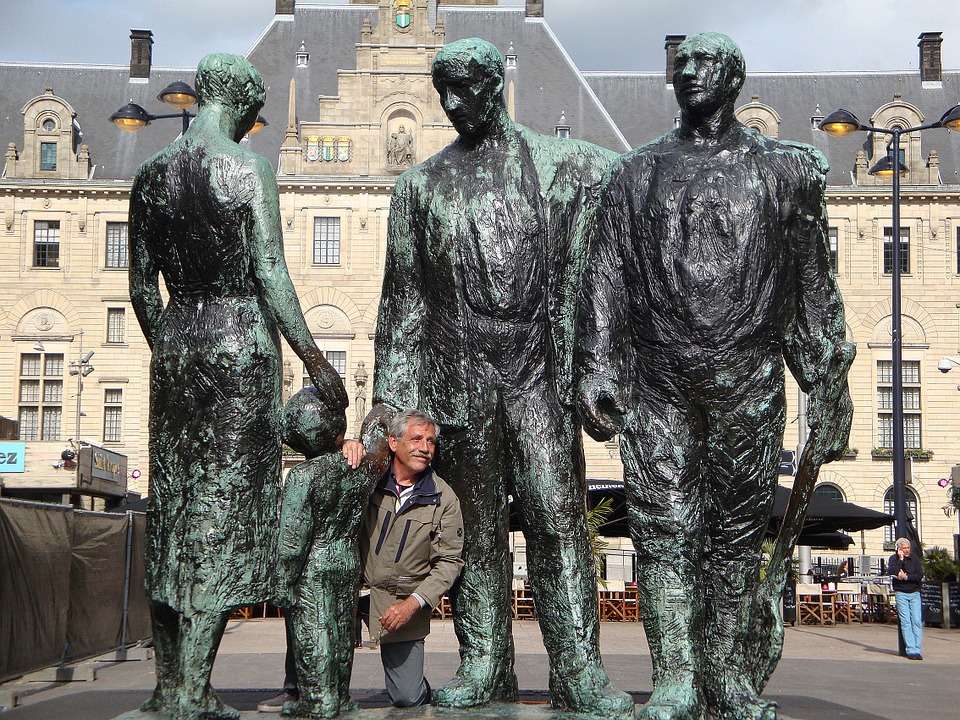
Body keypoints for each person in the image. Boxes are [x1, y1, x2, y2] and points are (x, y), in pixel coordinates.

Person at [576, 33, 853, 720]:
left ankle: (727, 677)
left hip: (747, 379)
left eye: (705, 64)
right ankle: (675, 679)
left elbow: (811, 282)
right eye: (682, 64)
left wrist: (827, 378)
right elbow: (605, 275)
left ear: (735, 79)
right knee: (662, 529)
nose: (689, 73)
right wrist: (598, 367)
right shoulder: (636, 173)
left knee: (735, 533)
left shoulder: (783, 172)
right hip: (660, 384)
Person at [370, 37, 631, 719]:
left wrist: (598, 364)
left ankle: (578, 670)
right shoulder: (419, 187)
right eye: (443, 93)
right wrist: (391, 403)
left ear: (495, 87)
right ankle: (484, 664)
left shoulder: (564, 166)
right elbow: (402, 303)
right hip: (457, 385)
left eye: (465, 90)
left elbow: (640, 178)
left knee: (558, 522)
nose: (453, 105)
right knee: (474, 535)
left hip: (537, 380)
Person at [129, 53, 348, 720]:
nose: (258, 120)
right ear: (244, 100)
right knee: (224, 518)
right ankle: (193, 690)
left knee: (172, 511)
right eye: (257, 109)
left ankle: (168, 688)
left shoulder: (151, 173)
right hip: (238, 344)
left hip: (175, 343)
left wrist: (168, 344)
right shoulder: (248, 167)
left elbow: (140, 287)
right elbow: (272, 272)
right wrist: (315, 361)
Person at [270, 386, 390, 718]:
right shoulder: (363, 467)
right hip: (347, 559)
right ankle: (339, 696)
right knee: (340, 631)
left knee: (316, 630)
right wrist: (354, 438)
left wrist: (282, 583)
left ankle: (317, 700)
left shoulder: (302, 475)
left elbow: (293, 540)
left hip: (314, 564)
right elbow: (381, 436)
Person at [359, 409, 464, 707]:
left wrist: (411, 605)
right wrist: (348, 445)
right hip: (352, 593)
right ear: (393, 442)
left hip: (399, 603)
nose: (425, 448)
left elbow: (450, 562)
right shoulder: (369, 478)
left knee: (407, 696)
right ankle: (292, 689)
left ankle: (421, 693)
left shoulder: (443, 498)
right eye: (416, 438)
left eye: (430, 441)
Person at [888, 537, 924, 660]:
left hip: (914, 592)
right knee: (906, 621)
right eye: (904, 548)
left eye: (908, 548)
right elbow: (892, 571)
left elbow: (919, 575)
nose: (907, 550)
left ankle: (917, 648)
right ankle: (910, 649)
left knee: (916, 621)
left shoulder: (915, 559)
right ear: (899, 549)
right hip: (901, 593)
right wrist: (901, 560)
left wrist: (906, 577)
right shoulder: (893, 559)